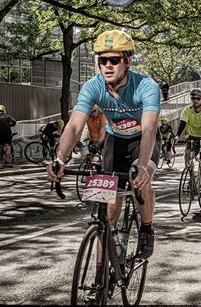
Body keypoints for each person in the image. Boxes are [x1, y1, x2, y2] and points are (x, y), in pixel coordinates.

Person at [47, 30, 161, 259]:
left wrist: (143, 166)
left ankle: (147, 228)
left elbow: (149, 128)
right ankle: (100, 280)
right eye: (102, 60)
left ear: (127, 61)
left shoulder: (147, 86)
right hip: (115, 140)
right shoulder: (93, 86)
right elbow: (74, 126)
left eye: (114, 60)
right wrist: (60, 157)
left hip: (142, 140)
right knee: (106, 212)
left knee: (139, 180)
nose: (107, 65)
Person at [174, 88, 201, 198]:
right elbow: (183, 123)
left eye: (198, 98)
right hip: (193, 136)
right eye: (193, 98)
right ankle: (192, 180)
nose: (195, 100)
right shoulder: (187, 109)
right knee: (188, 156)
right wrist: (177, 136)